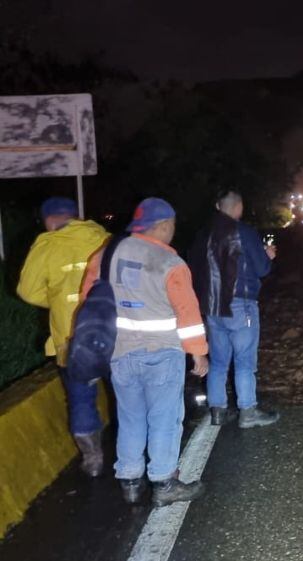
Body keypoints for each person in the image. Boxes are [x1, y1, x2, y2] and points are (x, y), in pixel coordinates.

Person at [82, 198, 209, 506]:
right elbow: (187, 312)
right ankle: (164, 483)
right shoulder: (170, 263)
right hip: (162, 353)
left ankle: (130, 480)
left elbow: (89, 296)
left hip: (120, 353)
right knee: (164, 418)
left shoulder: (108, 253)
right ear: (163, 226)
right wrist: (198, 352)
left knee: (130, 417)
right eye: (173, 226)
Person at [17, 197, 111, 477]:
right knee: (126, 392)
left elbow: (27, 291)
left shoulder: (46, 245)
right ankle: (135, 455)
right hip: (111, 330)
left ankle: (93, 458)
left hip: (70, 336)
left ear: (48, 220)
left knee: (81, 397)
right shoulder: (103, 238)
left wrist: (58, 299)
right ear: (76, 216)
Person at [189, 190, 279, 428]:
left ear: (219, 207)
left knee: (218, 361)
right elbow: (261, 269)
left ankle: (218, 410)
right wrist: (267, 256)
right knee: (244, 361)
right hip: (241, 305)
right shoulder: (245, 233)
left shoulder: (203, 234)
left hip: (212, 306)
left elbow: (194, 269)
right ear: (238, 208)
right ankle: (247, 411)